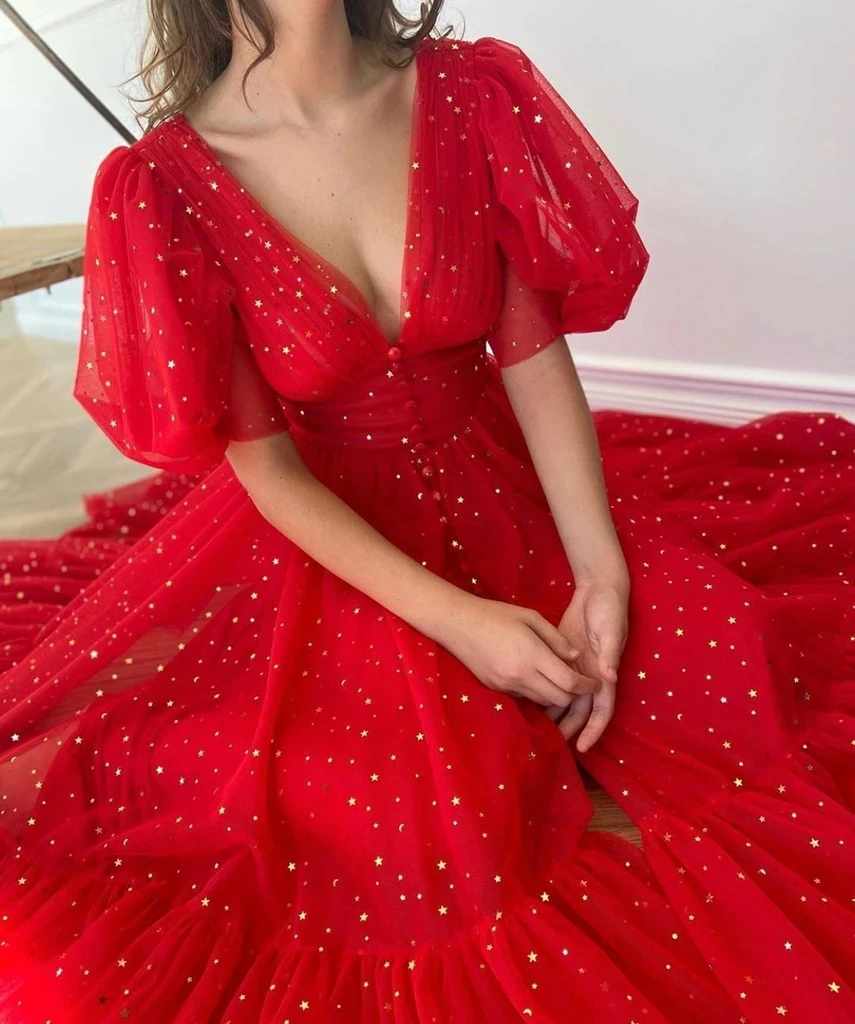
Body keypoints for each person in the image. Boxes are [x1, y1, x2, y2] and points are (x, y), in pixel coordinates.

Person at [1, 1, 853, 1020]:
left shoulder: (468, 92)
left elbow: (530, 356)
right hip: (332, 539)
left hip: (507, 482)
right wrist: (460, 620)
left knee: (721, 659)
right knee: (394, 809)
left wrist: (600, 570)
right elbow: (270, 474)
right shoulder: (164, 186)